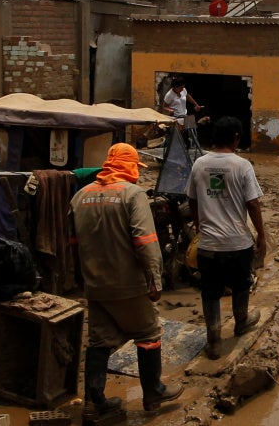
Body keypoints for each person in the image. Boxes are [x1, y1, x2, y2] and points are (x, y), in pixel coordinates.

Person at [70, 143, 183, 423]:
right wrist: (155, 280)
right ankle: (153, 394)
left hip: (95, 285)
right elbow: (145, 243)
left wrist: (81, 279)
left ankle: (94, 402)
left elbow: (73, 245)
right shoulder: (133, 195)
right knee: (148, 335)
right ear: (130, 166)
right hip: (129, 284)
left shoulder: (80, 197)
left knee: (100, 340)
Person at [187, 117, 267, 360]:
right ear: (236, 138)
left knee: (210, 292)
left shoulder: (199, 164)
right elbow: (252, 203)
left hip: (208, 245)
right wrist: (261, 236)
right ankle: (241, 322)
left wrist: (200, 226)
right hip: (237, 243)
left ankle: (213, 342)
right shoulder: (242, 165)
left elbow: (191, 199)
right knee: (242, 284)